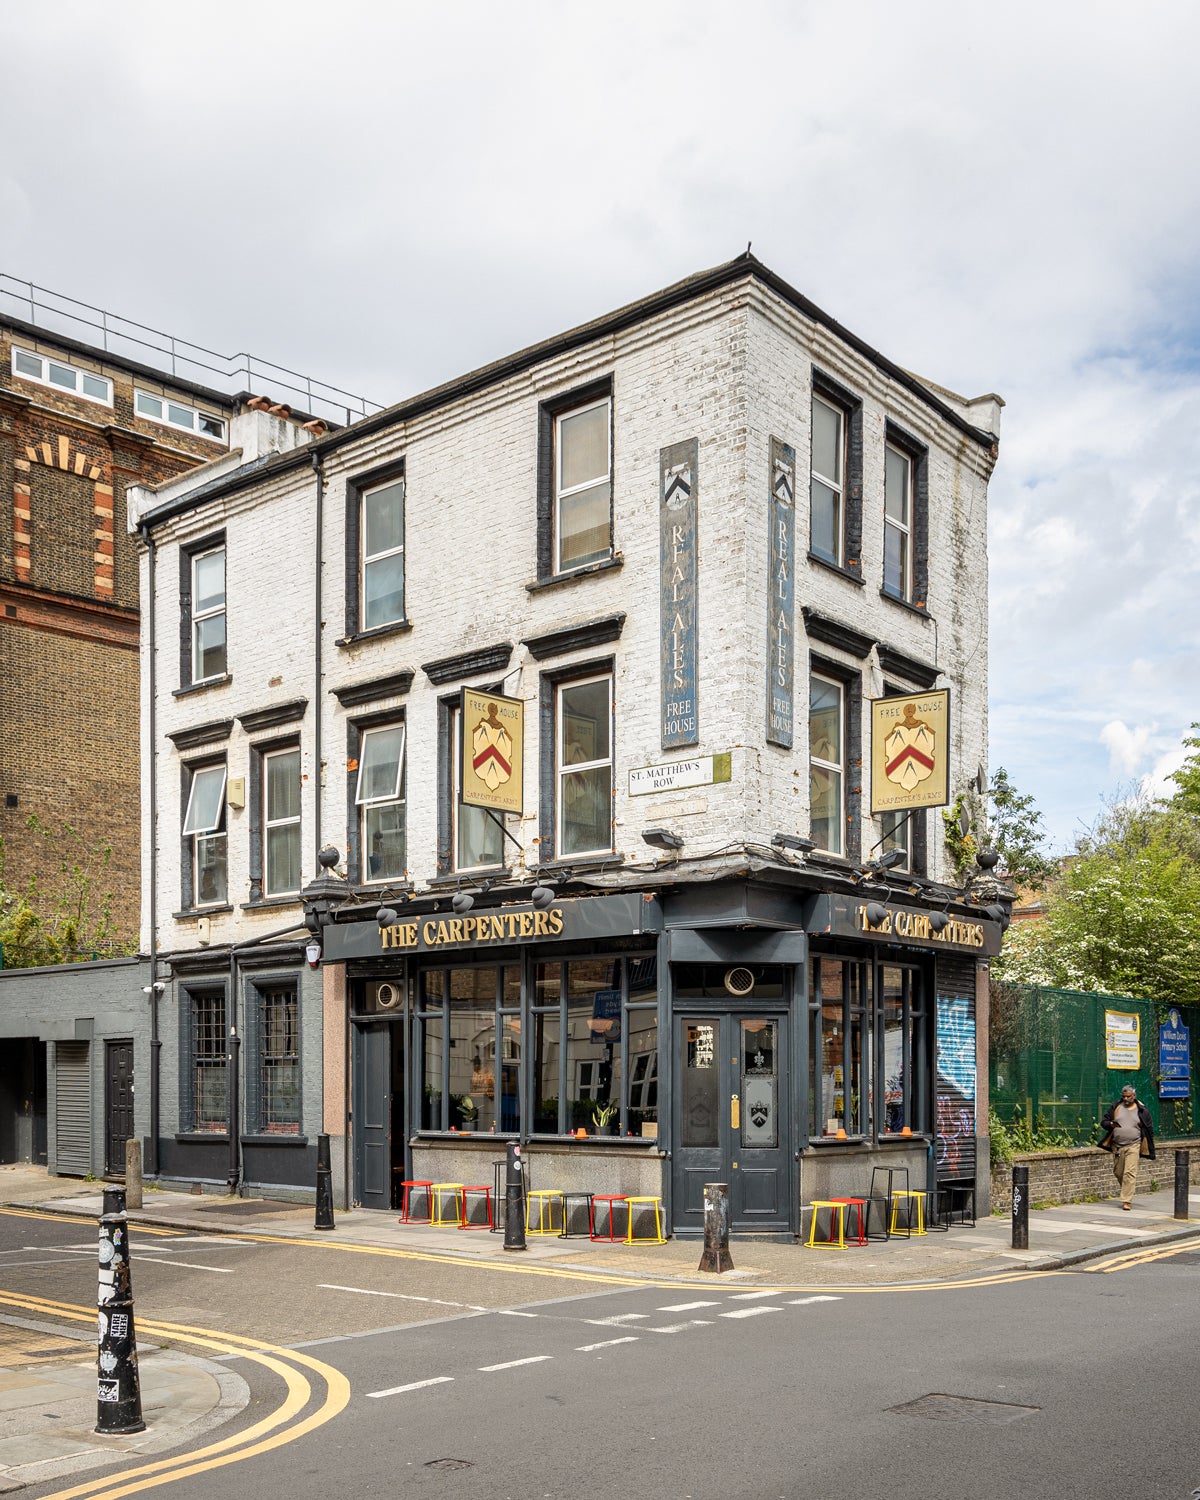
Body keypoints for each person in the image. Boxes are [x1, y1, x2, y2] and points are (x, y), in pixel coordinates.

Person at [1099, 1084, 1155, 1209]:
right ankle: (1127, 1189)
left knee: (1129, 1172)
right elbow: (1104, 1122)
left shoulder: (1142, 1110)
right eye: (1123, 1096)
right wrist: (1110, 1124)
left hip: (1134, 1145)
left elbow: (1149, 1128)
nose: (1125, 1099)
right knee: (1118, 1172)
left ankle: (1126, 1201)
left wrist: (1148, 1143)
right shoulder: (1116, 1106)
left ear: (1134, 1096)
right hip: (1118, 1146)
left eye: (1128, 1096)